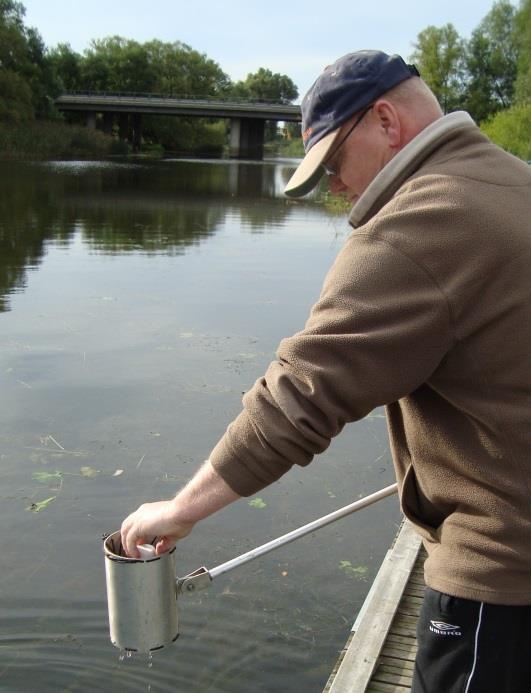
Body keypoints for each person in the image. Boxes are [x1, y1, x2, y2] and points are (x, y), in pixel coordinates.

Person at [121, 50, 531, 692]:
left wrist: (181, 509)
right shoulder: (513, 180)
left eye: (335, 163)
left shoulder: (416, 225)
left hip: (502, 576)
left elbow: (298, 397)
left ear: (386, 120)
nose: (336, 187)